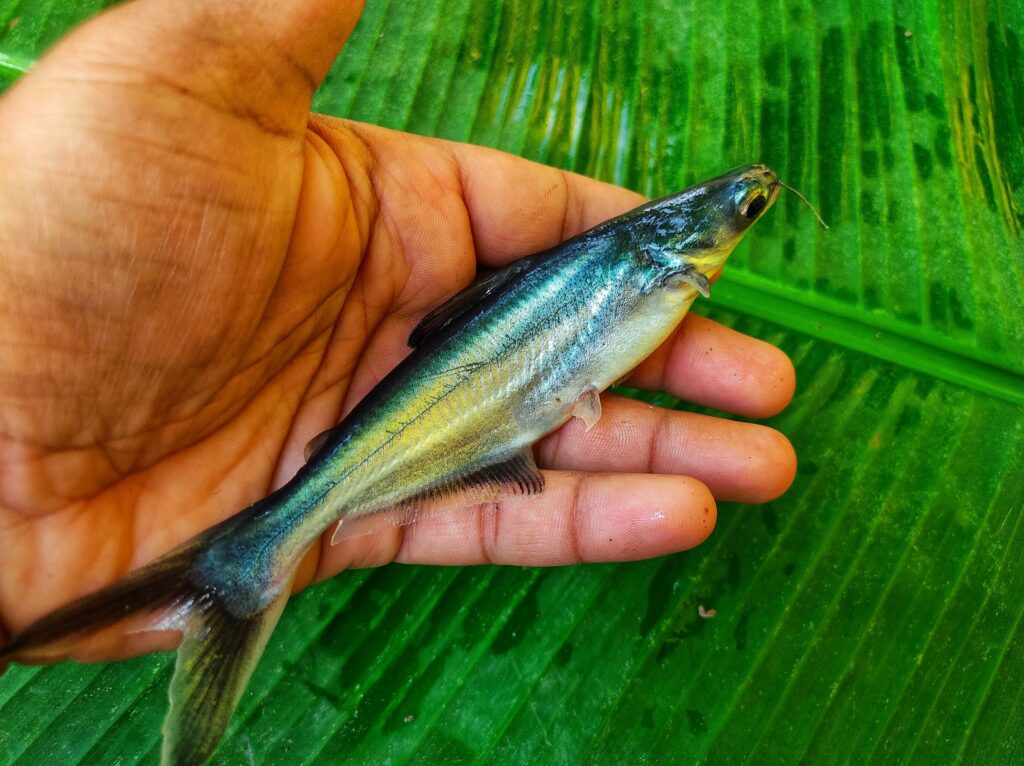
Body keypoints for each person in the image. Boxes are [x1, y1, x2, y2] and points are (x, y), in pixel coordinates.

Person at [0, 0, 796, 672]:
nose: (748, 203)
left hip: (470, 409)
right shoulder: (661, 264)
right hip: (456, 409)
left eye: (746, 206)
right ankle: (243, 563)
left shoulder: (656, 261)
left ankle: (238, 563)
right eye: (745, 209)